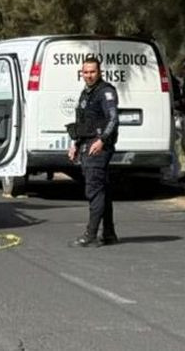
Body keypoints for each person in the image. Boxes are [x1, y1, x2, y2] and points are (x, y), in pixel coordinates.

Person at [67, 57, 119, 247]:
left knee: (94, 190)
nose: (89, 75)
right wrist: (75, 144)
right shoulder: (86, 94)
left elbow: (113, 119)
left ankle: (90, 235)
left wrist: (102, 141)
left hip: (98, 148)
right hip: (86, 144)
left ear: (100, 72)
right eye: (86, 72)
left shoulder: (105, 92)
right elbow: (82, 123)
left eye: (92, 72)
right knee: (102, 189)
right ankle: (109, 233)